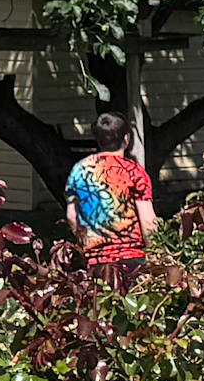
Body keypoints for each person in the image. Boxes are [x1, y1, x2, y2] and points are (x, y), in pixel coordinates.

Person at [65, 114, 159, 268]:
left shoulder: (80, 170)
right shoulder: (134, 172)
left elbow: (71, 216)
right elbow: (148, 221)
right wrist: (156, 255)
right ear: (127, 139)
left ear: (98, 139)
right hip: (131, 260)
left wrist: (85, 244)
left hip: (94, 262)